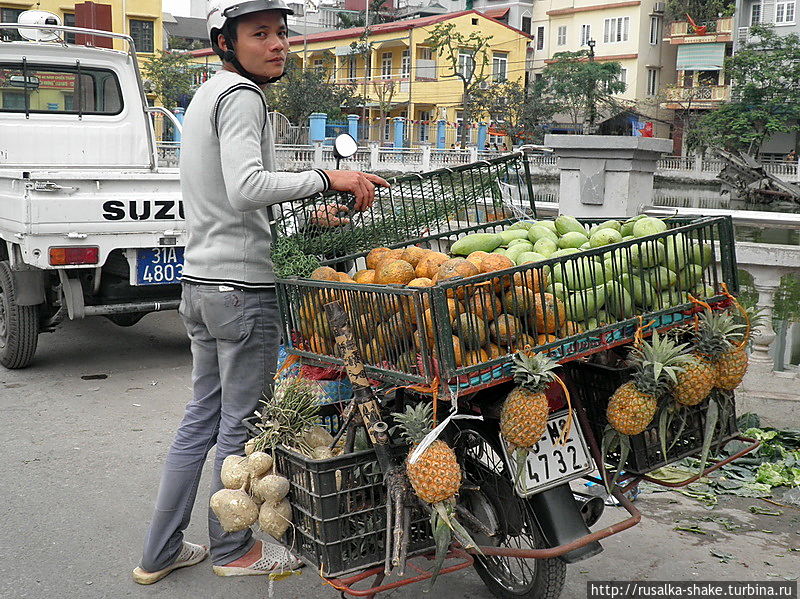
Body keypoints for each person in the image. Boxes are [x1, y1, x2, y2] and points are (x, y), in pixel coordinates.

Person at [131, 0, 389, 585]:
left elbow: (231, 198)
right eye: (259, 35)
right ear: (227, 42)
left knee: (200, 419)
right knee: (240, 426)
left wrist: (308, 211)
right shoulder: (243, 97)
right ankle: (232, 549)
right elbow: (247, 188)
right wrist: (332, 175)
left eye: (280, 33)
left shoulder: (205, 95)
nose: (277, 44)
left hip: (199, 283)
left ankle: (160, 550)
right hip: (240, 290)